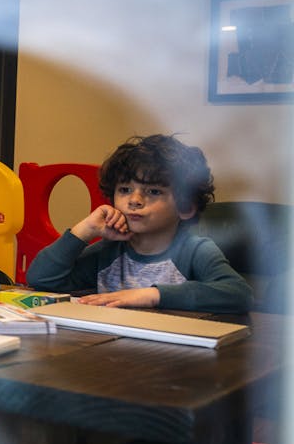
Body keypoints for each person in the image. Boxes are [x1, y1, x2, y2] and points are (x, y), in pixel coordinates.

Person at [26, 134, 252, 313]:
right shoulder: (108, 252)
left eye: (153, 191)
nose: (134, 200)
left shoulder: (195, 250)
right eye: (124, 190)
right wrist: (84, 231)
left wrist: (151, 295)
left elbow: (238, 294)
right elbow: (42, 279)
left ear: (186, 207)